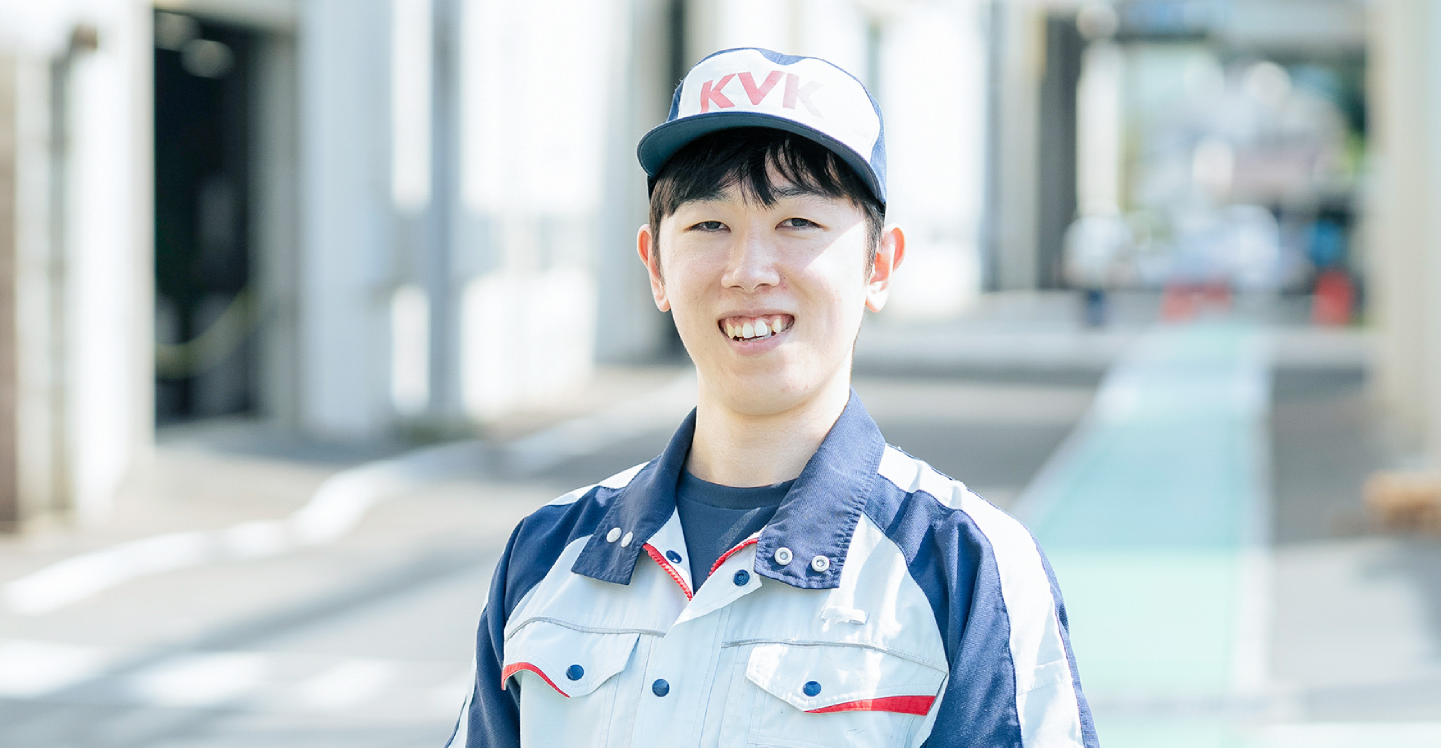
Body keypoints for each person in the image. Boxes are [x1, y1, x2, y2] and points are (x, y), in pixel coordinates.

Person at [445, 47, 1099, 748]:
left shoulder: (964, 564)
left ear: (879, 266)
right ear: (656, 266)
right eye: (709, 225)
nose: (749, 271)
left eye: (798, 223)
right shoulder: (547, 553)